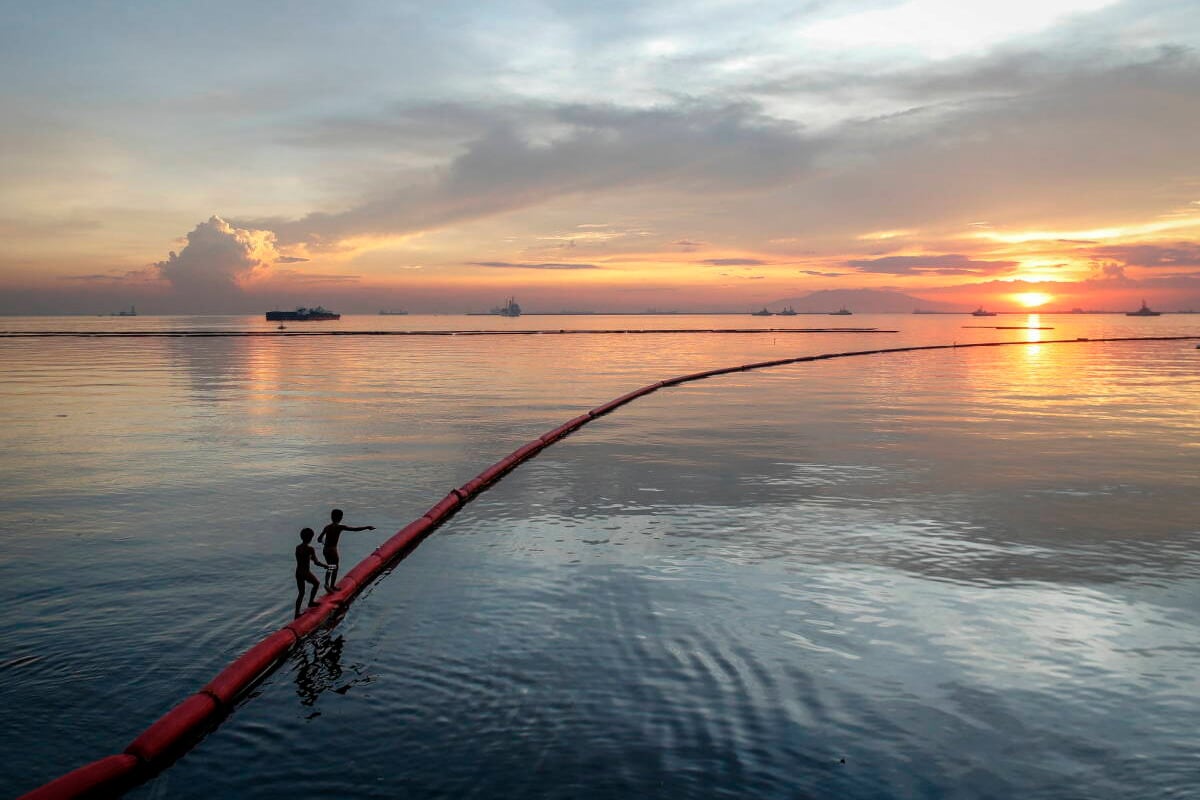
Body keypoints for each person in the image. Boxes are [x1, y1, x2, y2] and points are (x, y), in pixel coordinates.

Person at [318, 508, 375, 591]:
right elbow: (355, 529)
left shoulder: (327, 527)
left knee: (330, 566)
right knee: (335, 567)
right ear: (340, 518)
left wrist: (324, 542)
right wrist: (366, 527)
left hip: (325, 550)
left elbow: (319, 539)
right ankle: (332, 586)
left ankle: (327, 583)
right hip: (333, 550)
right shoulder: (340, 527)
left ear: (331, 517)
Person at [294, 528, 328, 617]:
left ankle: (297, 613)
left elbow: (304, 558)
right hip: (305, 572)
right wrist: (325, 565)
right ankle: (311, 602)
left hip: (298, 572)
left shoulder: (298, 547)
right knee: (316, 583)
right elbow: (316, 562)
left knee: (301, 593)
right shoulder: (310, 549)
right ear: (310, 538)